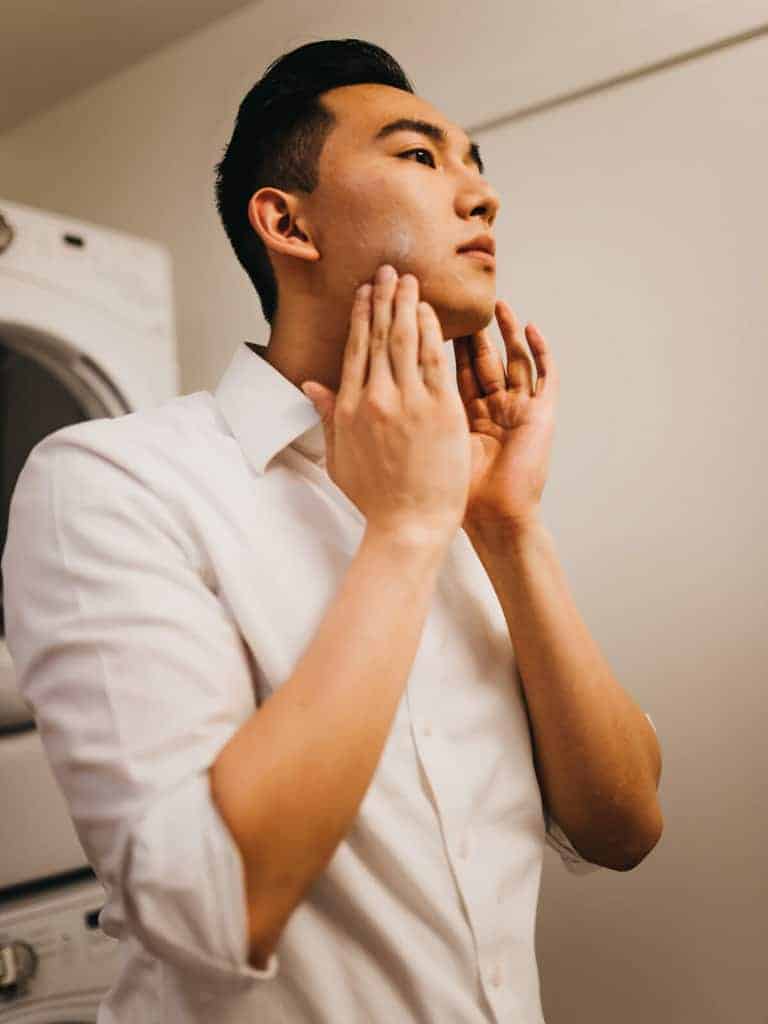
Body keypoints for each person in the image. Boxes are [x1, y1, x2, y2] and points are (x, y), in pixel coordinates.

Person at [2, 37, 663, 1024]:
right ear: (287, 221)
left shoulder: (470, 497)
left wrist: (508, 525)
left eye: (477, 164)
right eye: (419, 155)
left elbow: (624, 828)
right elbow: (213, 911)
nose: (481, 197)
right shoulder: (113, 481)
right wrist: (401, 533)